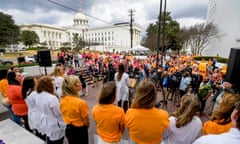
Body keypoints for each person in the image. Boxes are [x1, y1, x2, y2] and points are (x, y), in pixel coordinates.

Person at [60, 75, 90, 144]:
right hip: (80, 130)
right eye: (79, 82)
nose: (81, 83)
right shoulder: (80, 102)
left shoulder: (62, 99)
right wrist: (86, 126)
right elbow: (86, 121)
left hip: (68, 128)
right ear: (73, 86)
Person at [36, 76, 65, 144]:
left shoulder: (38, 95)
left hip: (45, 120)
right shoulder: (52, 98)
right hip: (54, 123)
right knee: (57, 141)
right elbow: (58, 113)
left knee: (49, 138)